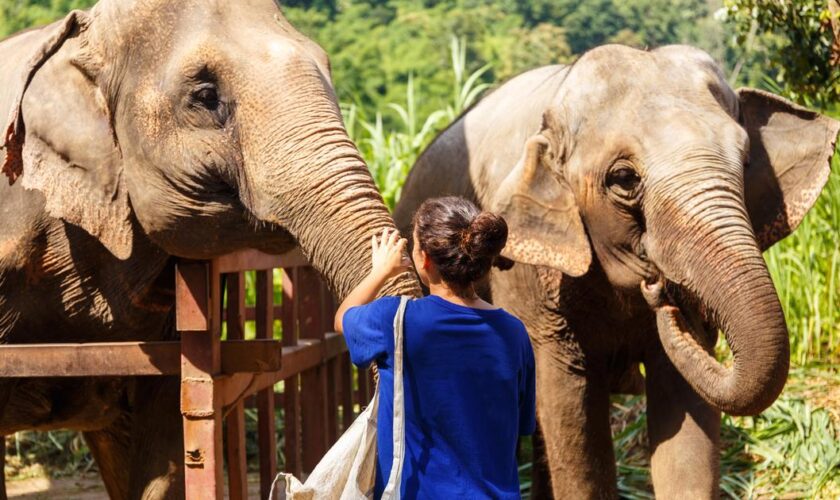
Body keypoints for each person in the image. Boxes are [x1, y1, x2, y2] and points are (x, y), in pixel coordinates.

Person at [334, 196, 536, 499]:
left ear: (424, 259)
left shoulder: (396, 320)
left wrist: (380, 271)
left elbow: (342, 319)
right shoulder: (513, 333)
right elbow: (520, 425)